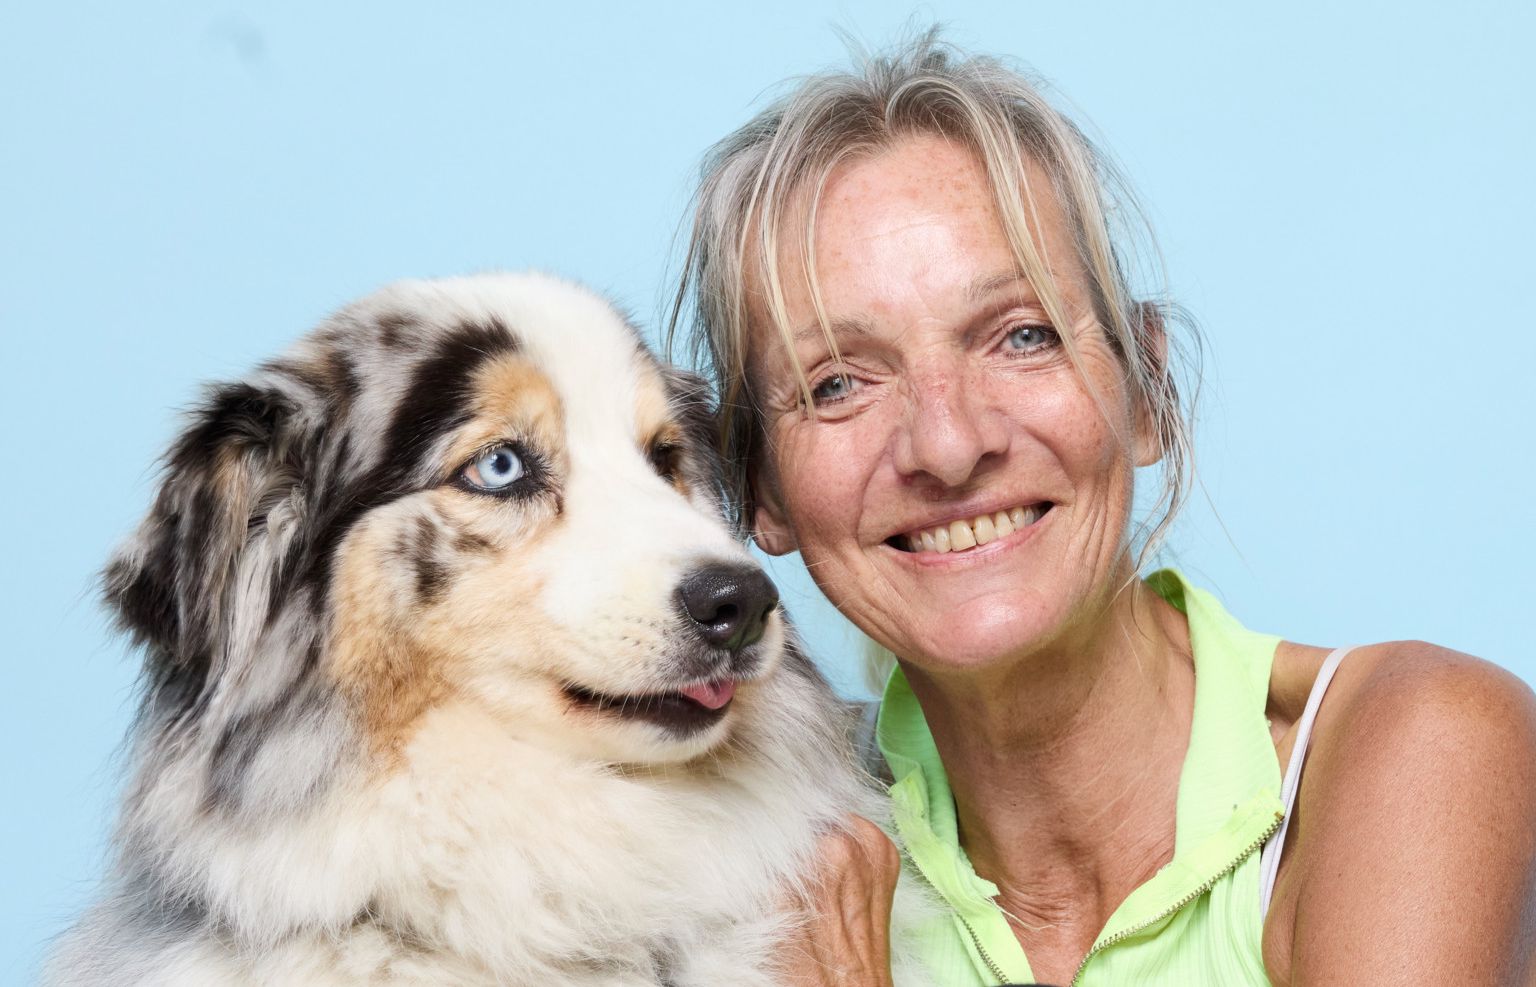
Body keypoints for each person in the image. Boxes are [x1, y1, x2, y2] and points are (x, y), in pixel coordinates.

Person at [669, 31, 1536, 986]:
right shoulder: (767, 846)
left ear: (1147, 392)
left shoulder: (1416, 742)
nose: (948, 444)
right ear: (758, 489)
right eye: (838, 383)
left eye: (1021, 336)